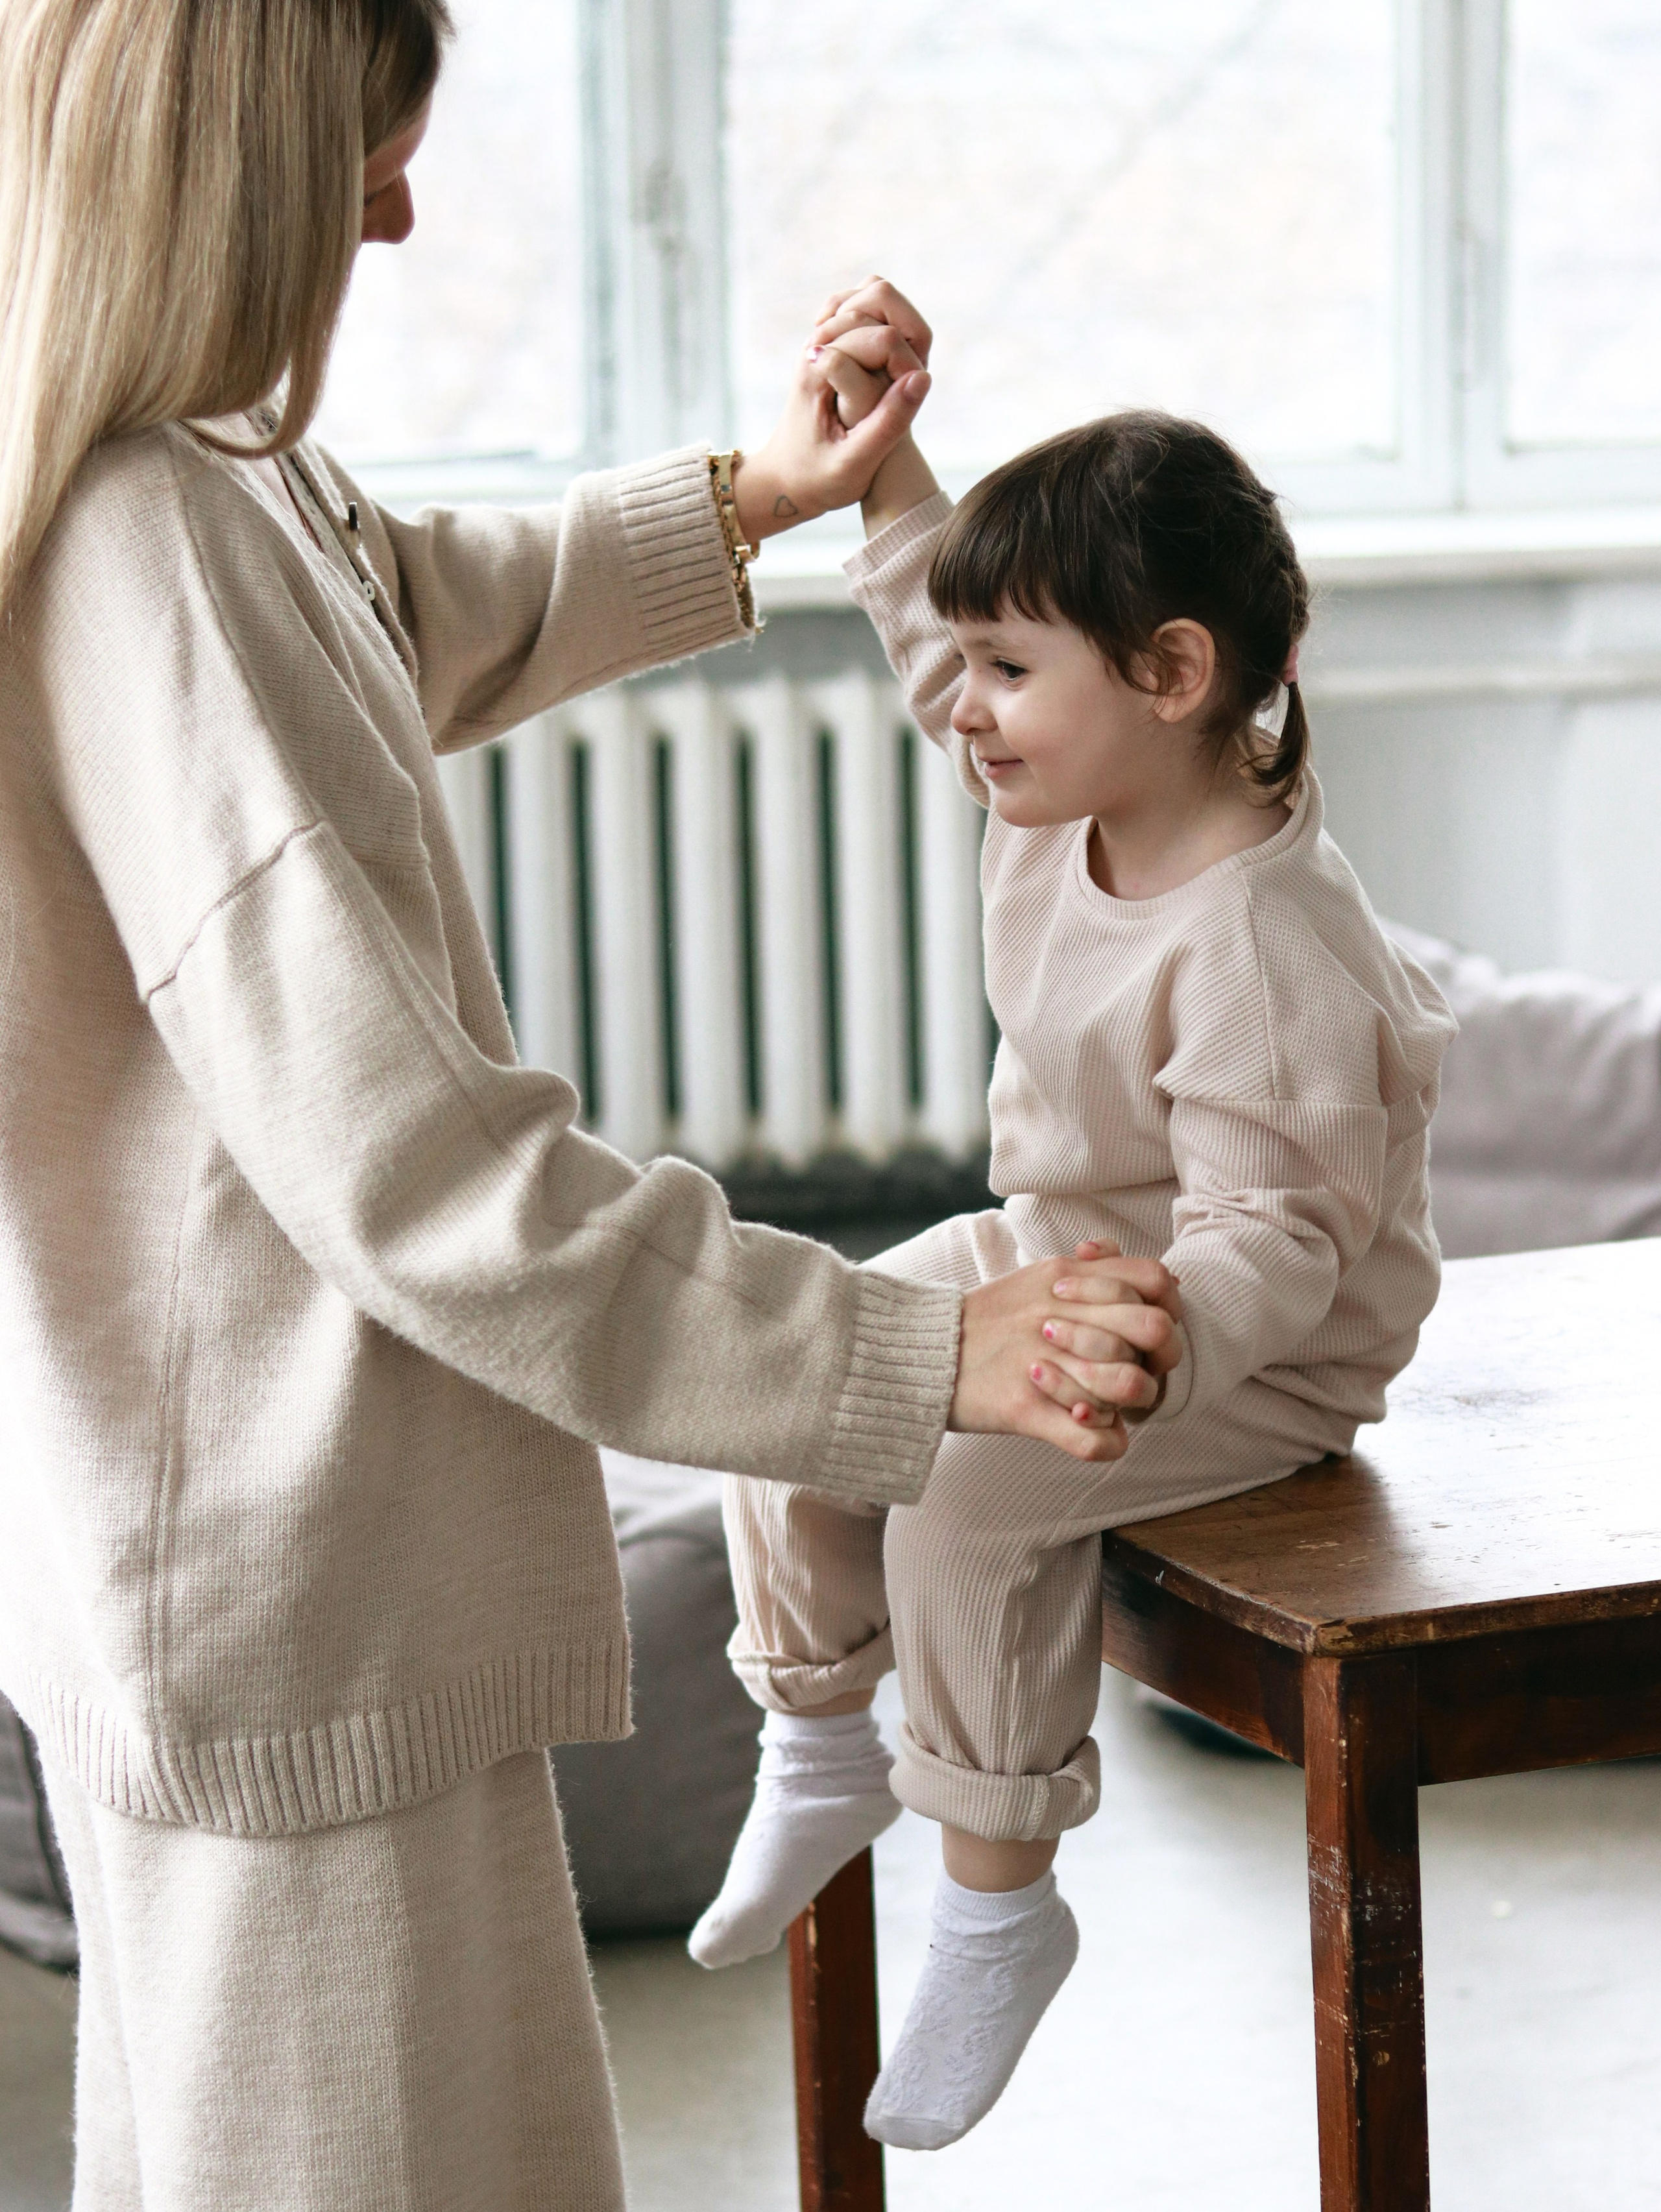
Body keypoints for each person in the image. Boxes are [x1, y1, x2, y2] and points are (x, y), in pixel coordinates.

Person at [0, 16, 1180, 2210]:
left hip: (259, 1597)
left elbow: (425, 604)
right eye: (363, 164)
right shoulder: (148, 543)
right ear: (231, 182)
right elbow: (427, 1173)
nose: (396, 214)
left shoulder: (204, 491)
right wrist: (916, 1359)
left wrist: (766, 491)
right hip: (300, 1608)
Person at [691, 283, 1457, 2152]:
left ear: (1175, 674)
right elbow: (923, 597)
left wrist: (1136, 1336)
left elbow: (1287, 1234)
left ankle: (997, 1892)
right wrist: (878, 452)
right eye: (968, 667)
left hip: (1260, 1343)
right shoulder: (1052, 781)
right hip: (1060, 1243)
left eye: (1011, 670)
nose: (964, 707)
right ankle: (814, 1735)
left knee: (971, 1481)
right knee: (808, 1358)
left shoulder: (1263, 940)